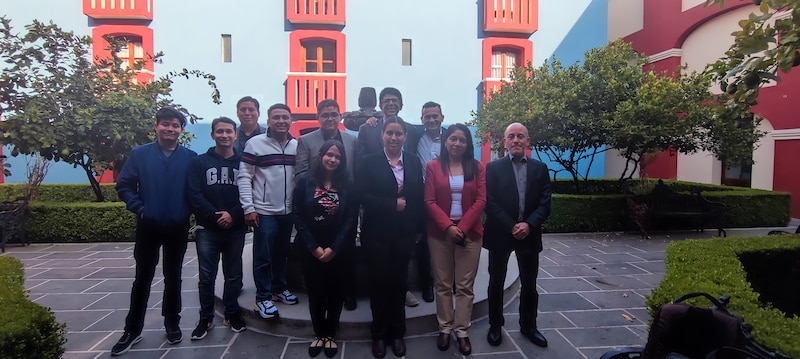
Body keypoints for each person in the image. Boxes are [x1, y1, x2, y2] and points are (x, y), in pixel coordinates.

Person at [112, 107, 197, 356]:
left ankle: (172, 322)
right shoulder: (140, 154)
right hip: (148, 226)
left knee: (174, 276)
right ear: (156, 126)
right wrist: (139, 208)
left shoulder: (190, 158)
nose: (170, 129)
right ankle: (132, 328)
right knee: (142, 278)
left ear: (181, 130)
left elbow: (195, 190)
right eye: (166, 124)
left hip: (177, 226)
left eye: (175, 125)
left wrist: (187, 210)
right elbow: (125, 185)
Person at [357, 116, 425, 358]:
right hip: (376, 232)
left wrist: (418, 227)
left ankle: (397, 333)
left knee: (399, 283)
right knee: (379, 284)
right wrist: (390, 204)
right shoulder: (369, 162)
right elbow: (361, 195)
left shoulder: (414, 162)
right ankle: (378, 334)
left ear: (405, 137)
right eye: (390, 133)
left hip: (404, 233)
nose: (394, 137)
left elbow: (417, 196)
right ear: (382, 135)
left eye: (399, 134)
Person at [484, 122, 552, 348]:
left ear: (527, 141)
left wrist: (528, 225)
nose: (515, 140)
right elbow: (490, 203)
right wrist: (512, 225)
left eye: (520, 136)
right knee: (496, 282)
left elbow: (545, 203)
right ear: (504, 141)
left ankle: (529, 325)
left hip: (529, 235)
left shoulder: (539, 168)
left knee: (530, 285)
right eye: (511, 136)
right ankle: (495, 325)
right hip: (500, 234)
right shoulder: (492, 168)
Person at [356, 87, 424, 307]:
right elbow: (360, 168)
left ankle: (401, 294)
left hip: (404, 216)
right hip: (377, 211)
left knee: (399, 268)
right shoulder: (368, 128)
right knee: (380, 275)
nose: (394, 137)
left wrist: (417, 223)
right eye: (386, 100)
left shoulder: (412, 131)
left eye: (395, 100)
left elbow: (414, 177)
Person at [424, 123, 486, 355]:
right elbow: (429, 200)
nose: (457, 143)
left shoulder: (478, 168)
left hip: (470, 233)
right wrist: (449, 227)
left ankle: (462, 331)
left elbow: (481, 200)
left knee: (464, 286)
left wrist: (463, 227)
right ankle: (445, 327)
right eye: (453, 139)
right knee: (442, 284)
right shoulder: (433, 167)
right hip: (440, 233)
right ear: (445, 142)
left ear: (467, 144)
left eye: (462, 140)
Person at [293, 140, 357, 358]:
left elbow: (351, 219)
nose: (333, 159)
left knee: (336, 293)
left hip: (339, 249)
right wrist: (313, 247)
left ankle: (330, 334)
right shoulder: (305, 182)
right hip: (311, 247)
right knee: (316, 293)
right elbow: (298, 216)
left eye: (338, 157)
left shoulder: (348, 184)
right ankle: (319, 333)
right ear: (320, 156)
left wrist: (334, 248)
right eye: (329, 155)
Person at [186, 117, 247, 340]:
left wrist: (233, 214)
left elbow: (250, 193)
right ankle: (206, 317)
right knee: (206, 276)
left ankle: (231, 313)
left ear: (235, 135)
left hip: (235, 227)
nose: (224, 135)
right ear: (212, 135)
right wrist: (215, 215)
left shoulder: (244, 163)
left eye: (228, 131)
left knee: (233, 275)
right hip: (207, 229)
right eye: (219, 131)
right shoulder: (199, 162)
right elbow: (194, 194)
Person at [295, 98, 359, 311]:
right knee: (319, 251)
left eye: (334, 114)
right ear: (318, 117)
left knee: (346, 250)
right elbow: (301, 172)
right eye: (325, 115)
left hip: (345, 207)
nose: (330, 118)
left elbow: (354, 172)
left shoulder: (351, 141)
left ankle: (348, 292)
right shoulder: (306, 140)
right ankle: (320, 293)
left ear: (340, 116)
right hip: (317, 209)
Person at [237, 103, 299, 320]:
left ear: (290, 120)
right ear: (269, 120)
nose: (281, 121)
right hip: (263, 212)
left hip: (287, 211)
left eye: (285, 117)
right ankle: (262, 298)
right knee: (262, 257)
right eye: (276, 117)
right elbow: (244, 177)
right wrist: (249, 208)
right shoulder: (255, 144)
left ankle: (278, 289)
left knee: (281, 254)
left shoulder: (296, 146)